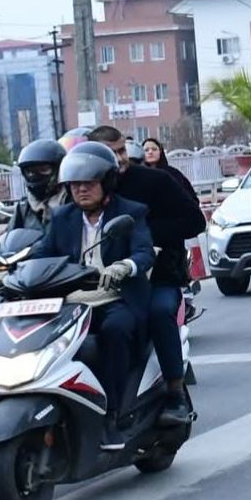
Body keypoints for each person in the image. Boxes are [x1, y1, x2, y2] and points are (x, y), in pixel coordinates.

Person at [33, 142, 155, 450]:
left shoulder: (130, 212)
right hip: (73, 303)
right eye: (75, 185)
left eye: (88, 183)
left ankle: (113, 414)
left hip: (115, 298)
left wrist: (124, 266)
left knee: (114, 331)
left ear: (107, 182)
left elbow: (143, 252)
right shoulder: (62, 217)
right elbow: (42, 253)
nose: (81, 190)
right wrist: (7, 272)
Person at [88, 126, 205, 426]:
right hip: (103, 285)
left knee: (158, 312)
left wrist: (146, 237)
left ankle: (175, 393)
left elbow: (194, 221)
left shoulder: (156, 181)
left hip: (159, 276)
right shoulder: (83, 190)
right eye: (110, 153)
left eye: (122, 150)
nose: (119, 159)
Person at [7, 139, 70, 232]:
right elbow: (10, 235)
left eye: (43, 169)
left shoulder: (71, 201)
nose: (36, 176)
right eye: (30, 172)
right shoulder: (24, 207)